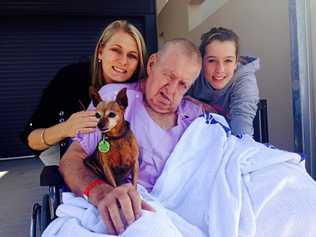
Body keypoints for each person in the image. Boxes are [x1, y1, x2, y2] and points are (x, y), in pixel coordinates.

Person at [57, 38, 203, 235]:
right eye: (168, 76)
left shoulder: (195, 115)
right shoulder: (113, 99)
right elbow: (71, 159)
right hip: (129, 209)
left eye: (183, 85)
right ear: (152, 64)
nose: (170, 91)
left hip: (182, 211)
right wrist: (100, 192)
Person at [21, 20, 147, 154]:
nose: (123, 61)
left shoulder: (142, 92)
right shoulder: (70, 78)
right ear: (100, 52)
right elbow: (30, 139)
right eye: (116, 50)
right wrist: (66, 128)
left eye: (132, 56)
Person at [187, 27, 259, 136]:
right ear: (202, 62)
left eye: (228, 61)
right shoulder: (192, 73)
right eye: (212, 61)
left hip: (227, 139)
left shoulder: (244, 80)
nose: (220, 70)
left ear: (236, 62)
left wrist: (241, 146)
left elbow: (242, 120)